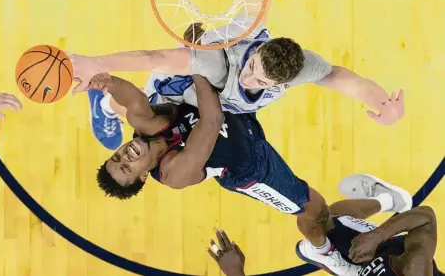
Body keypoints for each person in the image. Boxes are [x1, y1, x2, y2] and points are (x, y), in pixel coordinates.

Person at [68, 0, 404, 150]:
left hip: (221, 104)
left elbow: (340, 77)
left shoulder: (299, 66)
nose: (248, 74)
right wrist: (94, 62)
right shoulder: (218, 63)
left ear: (280, 83)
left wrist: (377, 100)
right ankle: (104, 105)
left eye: (259, 77)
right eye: (253, 65)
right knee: (141, 110)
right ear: (261, 48)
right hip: (184, 83)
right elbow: (154, 58)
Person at [88, 72, 358, 274]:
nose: (124, 155)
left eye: (116, 157)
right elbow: (212, 120)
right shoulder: (173, 173)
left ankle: (103, 104)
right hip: (252, 166)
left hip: (236, 112)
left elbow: (132, 98)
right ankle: (323, 251)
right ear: (143, 177)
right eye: (126, 167)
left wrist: (109, 83)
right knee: (313, 208)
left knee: (255, 61)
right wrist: (198, 65)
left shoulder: (143, 124)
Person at [207, 175, 442, 276]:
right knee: (332, 218)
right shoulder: (415, 268)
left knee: (330, 218)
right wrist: (378, 235)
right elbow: (426, 217)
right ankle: (391, 200)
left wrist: (235, 272)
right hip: (390, 257)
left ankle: (328, 253)